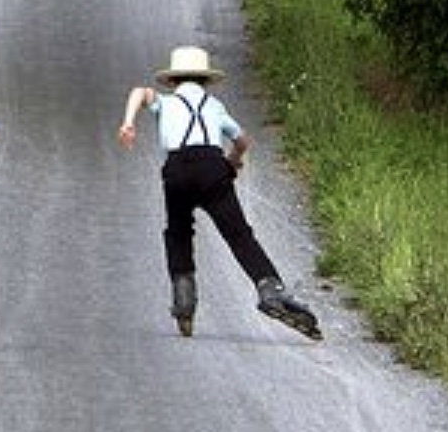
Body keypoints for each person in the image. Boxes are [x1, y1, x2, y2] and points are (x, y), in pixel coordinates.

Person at [117, 44, 321, 340]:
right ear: (205, 81)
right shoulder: (214, 107)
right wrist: (232, 163)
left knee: (178, 232)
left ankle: (184, 300)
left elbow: (139, 91)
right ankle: (270, 289)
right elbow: (242, 141)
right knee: (239, 235)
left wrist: (128, 122)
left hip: (177, 169)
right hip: (213, 167)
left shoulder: (165, 102)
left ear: (173, 81)